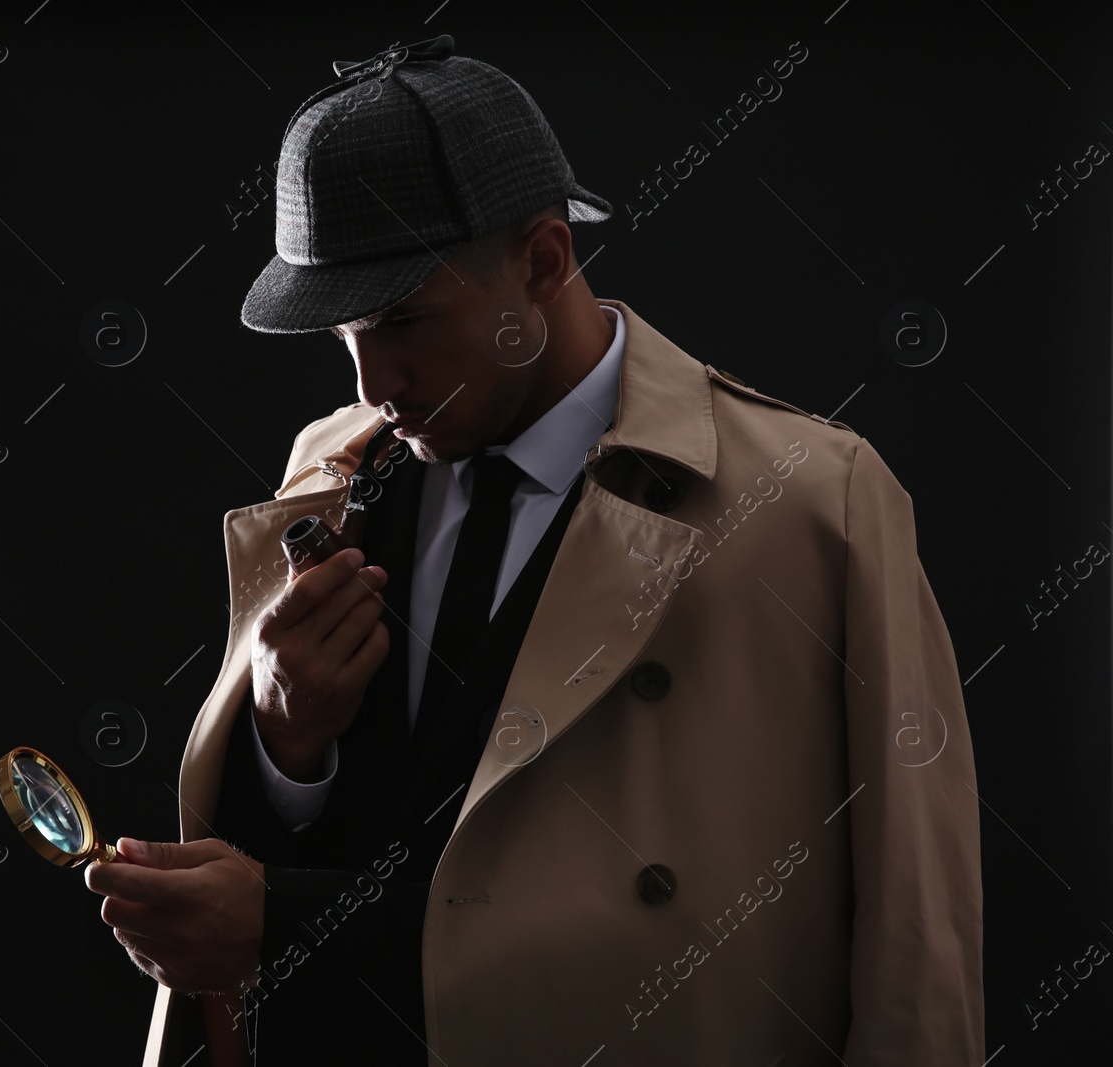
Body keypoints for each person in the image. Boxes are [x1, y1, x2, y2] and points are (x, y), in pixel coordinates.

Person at [84, 34, 985, 1066]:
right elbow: (296, 841)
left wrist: (286, 923)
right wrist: (291, 743)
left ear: (544, 259)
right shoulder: (329, 467)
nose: (375, 383)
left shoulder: (812, 500)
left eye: (406, 320)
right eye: (341, 336)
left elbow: (917, 931)